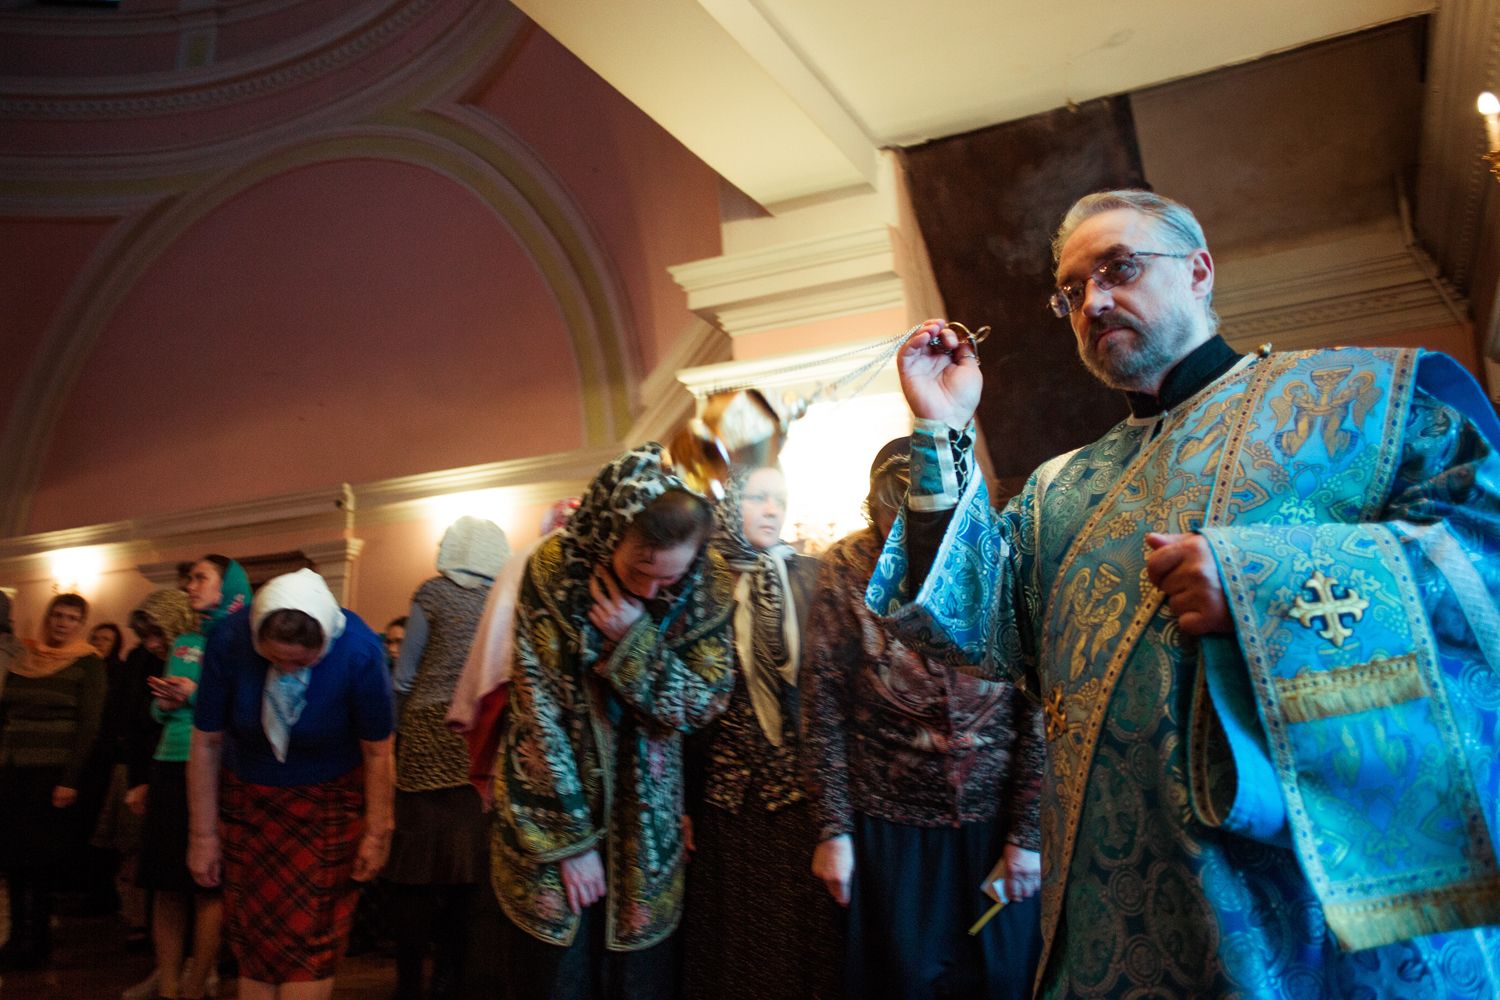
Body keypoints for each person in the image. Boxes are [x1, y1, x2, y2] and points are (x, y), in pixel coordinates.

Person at [871, 189, 1500, 997]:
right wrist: (941, 426)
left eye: (1119, 269)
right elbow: (962, 624)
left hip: (1302, 898)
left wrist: (1258, 585)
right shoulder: (1061, 492)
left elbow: (1483, 553)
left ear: (1199, 271)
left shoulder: (1357, 401)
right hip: (1118, 906)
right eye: (1071, 291)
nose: (1094, 302)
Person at [800, 440, 1044, 999]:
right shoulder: (845, 569)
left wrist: (1027, 835)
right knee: (904, 980)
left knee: (1005, 978)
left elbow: (1038, 709)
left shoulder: (1001, 556)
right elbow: (823, 707)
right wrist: (834, 830)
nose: (904, 539)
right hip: (892, 828)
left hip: (996, 822)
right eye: (891, 524)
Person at [492, 444, 734, 1000]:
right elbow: (537, 712)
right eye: (637, 571)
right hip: (555, 808)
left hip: (647, 822)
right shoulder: (554, 569)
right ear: (609, 535)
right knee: (558, 974)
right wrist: (570, 844)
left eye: (668, 579)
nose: (649, 591)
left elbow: (704, 704)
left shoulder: (709, 582)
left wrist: (635, 641)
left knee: (639, 980)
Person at [187, 568, 395, 1000]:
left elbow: (378, 752)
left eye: (300, 662)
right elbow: (206, 743)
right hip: (247, 802)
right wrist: (202, 836)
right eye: (273, 658)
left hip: (327, 804)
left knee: (310, 942)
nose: (284, 669)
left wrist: (377, 833)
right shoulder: (229, 639)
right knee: (251, 938)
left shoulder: (359, 649)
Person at [680, 465, 841, 1000]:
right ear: (730, 503)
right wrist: (682, 802)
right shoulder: (698, 582)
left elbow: (832, 689)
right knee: (737, 938)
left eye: (780, 499)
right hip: (725, 796)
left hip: (798, 793)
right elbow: (682, 701)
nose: (773, 509)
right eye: (758, 497)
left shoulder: (812, 576)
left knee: (800, 935)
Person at [385, 515, 509, 999]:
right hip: (477, 733)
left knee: (414, 871)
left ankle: (407, 983)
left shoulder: (431, 592)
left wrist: (401, 732)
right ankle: (450, 980)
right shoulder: (504, 599)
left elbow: (404, 676)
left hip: (423, 733)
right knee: (466, 871)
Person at [139, 558, 250, 1000]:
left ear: (228, 587)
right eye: (189, 579)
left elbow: (243, 707)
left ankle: (196, 985)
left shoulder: (243, 640)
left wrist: (194, 694)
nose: (190, 585)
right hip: (169, 760)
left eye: (201, 578)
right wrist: (165, 703)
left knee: (207, 883)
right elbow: (158, 709)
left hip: (215, 766)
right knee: (165, 883)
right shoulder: (184, 640)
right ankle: (168, 986)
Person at [0, 592, 106, 970]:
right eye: (58, 615)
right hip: (12, 767)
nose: (63, 623)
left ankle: (39, 938)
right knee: (11, 855)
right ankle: (16, 935)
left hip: (51, 771)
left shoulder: (88, 663)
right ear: (48, 618)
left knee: (40, 858)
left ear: (81, 624)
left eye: (72, 618)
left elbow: (89, 725)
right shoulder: (25, 659)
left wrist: (70, 779)